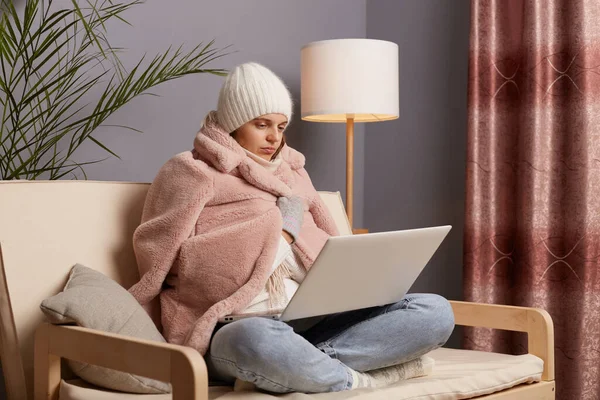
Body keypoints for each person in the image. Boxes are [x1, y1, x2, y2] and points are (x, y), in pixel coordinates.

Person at [129, 62, 455, 394]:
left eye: (282, 126)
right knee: (254, 340)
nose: (274, 137)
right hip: (232, 326)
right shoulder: (189, 171)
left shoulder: (294, 174)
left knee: (435, 311)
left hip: (310, 322)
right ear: (232, 122)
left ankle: (303, 366)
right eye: (262, 125)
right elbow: (156, 255)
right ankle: (366, 378)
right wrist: (282, 229)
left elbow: (330, 242)